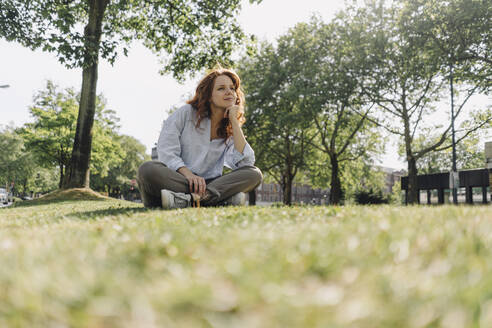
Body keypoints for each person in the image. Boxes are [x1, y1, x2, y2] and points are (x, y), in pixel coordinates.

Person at [137, 67, 262, 209]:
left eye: (232, 88)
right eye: (221, 88)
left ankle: (195, 199)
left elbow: (246, 163)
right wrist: (189, 175)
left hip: (211, 185)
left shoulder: (230, 127)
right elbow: (166, 151)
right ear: (209, 95)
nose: (229, 92)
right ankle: (216, 200)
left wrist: (234, 122)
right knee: (147, 169)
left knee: (254, 174)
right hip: (179, 179)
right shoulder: (186, 113)